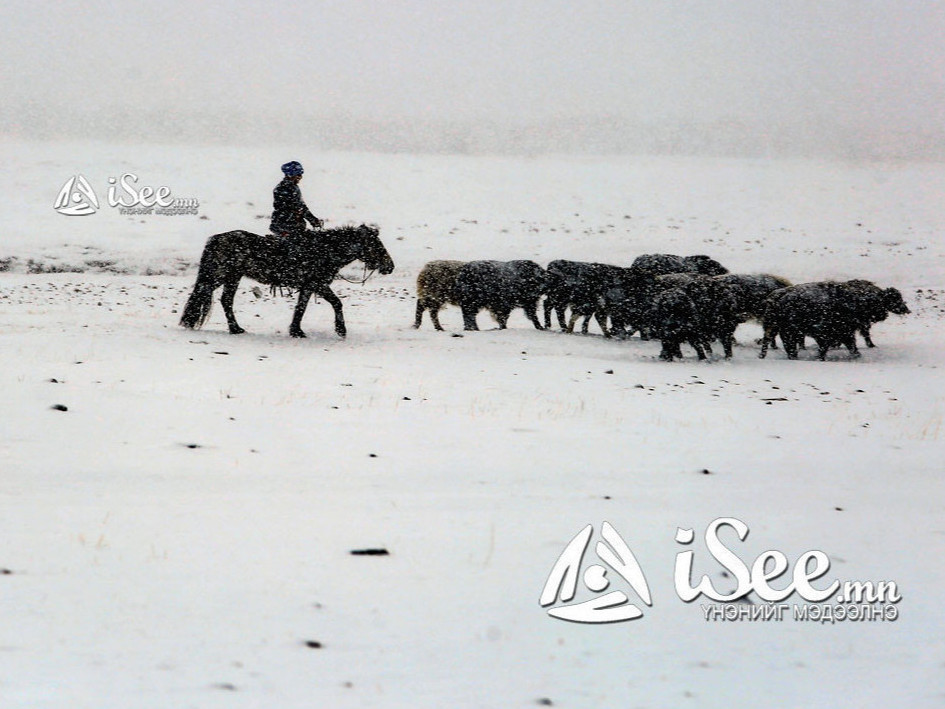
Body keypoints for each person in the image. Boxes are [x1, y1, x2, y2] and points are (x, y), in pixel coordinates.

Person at [270, 161, 323, 238]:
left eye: (301, 174)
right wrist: (312, 220)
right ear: (291, 175)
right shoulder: (283, 189)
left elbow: (301, 207)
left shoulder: (293, 187)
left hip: (293, 227)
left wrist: (313, 220)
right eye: (298, 174)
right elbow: (295, 208)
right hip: (286, 227)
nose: (300, 177)